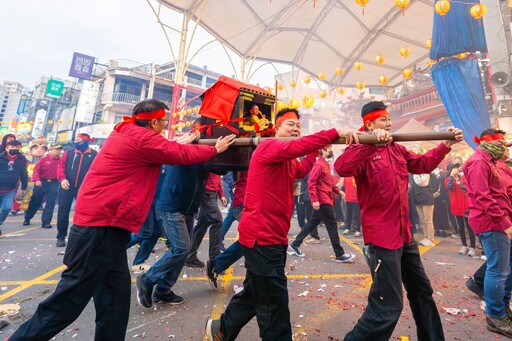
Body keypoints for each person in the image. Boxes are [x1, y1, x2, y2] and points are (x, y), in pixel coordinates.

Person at [9, 99, 235, 341]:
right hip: (100, 226)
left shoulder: (129, 133)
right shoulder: (142, 138)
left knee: (114, 298)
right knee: (68, 301)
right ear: (156, 122)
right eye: (163, 121)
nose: (164, 125)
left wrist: (180, 142)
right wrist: (215, 148)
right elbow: (175, 153)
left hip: (109, 227)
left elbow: (166, 147)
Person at [205, 108, 360, 341]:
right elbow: (298, 147)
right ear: (276, 129)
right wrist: (333, 132)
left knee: (256, 292)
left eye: (298, 125)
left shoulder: (287, 160)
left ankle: (221, 329)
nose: (296, 129)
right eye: (290, 124)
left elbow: (303, 168)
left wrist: (315, 150)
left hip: (275, 237)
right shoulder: (268, 146)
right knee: (274, 306)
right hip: (261, 237)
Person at [334, 101, 463, 341]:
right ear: (369, 123)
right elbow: (341, 167)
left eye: (389, 119)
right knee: (388, 306)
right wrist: (370, 142)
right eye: (384, 119)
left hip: (404, 234)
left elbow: (422, 164)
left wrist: (446, 144)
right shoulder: (362, 146)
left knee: (423, 292)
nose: (389, 123)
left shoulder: (396, 148)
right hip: (382, 238)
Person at [136, 121, 234, 307]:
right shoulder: (180, 148)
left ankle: (163, 289)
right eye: (200, 130)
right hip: (171, 206)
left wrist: (227, 150)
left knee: (185, 250)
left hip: (189, 209)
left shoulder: (205, 152)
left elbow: (220, 168)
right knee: (181, 248)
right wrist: (210, 148)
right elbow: (183, 155)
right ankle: (147, 279)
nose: (200, 133)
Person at [463, 129, 512, 338]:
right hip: (491, 222)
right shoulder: (478, 162)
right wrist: (505, 223)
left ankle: (503, 310)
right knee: (498, 270)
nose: (505, 149)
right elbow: (483, 198)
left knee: (506, 269)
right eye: (502, 145)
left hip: (501, 220)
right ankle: (495, 315)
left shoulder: (489, 161)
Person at [288, 144, 355, 262]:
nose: (330, 151)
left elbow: (327, 183)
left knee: (312, 223)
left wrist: (338, 191)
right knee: (332, 225)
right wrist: (315, 200)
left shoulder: (325, 164)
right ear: (321, 150)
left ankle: (295, 245)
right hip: (323, 200)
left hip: (325, 199)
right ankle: (339, 254)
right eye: (328, 148)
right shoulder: (319, 165)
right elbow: (311, 182)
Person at [55, 133, 98, 247]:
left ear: (85, 141)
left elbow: (97, 171)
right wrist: (62, 179)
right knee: (63, 211)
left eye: (79, 140)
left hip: (84, 188)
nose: (76, 142)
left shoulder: (94, 155)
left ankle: (80, 236)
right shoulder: (69, 153)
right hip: (66, 186)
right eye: (75, 140)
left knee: (83, 212)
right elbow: (61, 167)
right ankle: (61, 236)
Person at [127, 166, 166, 273]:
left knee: (157, 231)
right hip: (146, 195)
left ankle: (139, 262)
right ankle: (108, 252)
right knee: (145, 232)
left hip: (158, 197)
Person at [185, 172, 227, 268]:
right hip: (206, 193)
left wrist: (221, 194)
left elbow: (218, 175)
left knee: (202, 225)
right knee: (217, 222)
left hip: (210, 193)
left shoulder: (217, 159)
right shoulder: (210, 158)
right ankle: (215, 262)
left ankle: (189, 256)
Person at [23, 144, 63, 228]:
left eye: (59, 150)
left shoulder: (62, 160)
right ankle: (27, 218)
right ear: (51, 150)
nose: (58, 152)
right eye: (56, 150)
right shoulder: (44, 160)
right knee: (35, 202)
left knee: (50, 203)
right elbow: (36, 170)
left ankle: (46, 222)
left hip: (54, 183)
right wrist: (37, 180)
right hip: (41, 182)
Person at [445, 162, 475, 256]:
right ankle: (464, 245)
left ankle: (472, 247)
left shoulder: (463, 177)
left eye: (457, 168)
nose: (457, 169)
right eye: (454, 168)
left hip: (466, 206)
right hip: (456, 206)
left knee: (469, 227)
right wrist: (451, 176)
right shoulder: (447, 179)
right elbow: (449, 187)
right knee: (460, 227)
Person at [0, 140, 28, 236]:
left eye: (17, 147)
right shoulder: (1, 157)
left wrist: (24, 187)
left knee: (7, 208)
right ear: (7, 148)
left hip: (10, 189)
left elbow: (24, 173)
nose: (14, 149)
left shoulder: (22, 159)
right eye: (12, 147)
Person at [411, 172, 437, 247]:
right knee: (422, 220)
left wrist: (415, 174)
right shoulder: (415, 174)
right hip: (417, 199)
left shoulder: (425, 173)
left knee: (428, 220)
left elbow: (421, 182)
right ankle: (426, 237)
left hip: (426, 199)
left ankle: (430, 239)